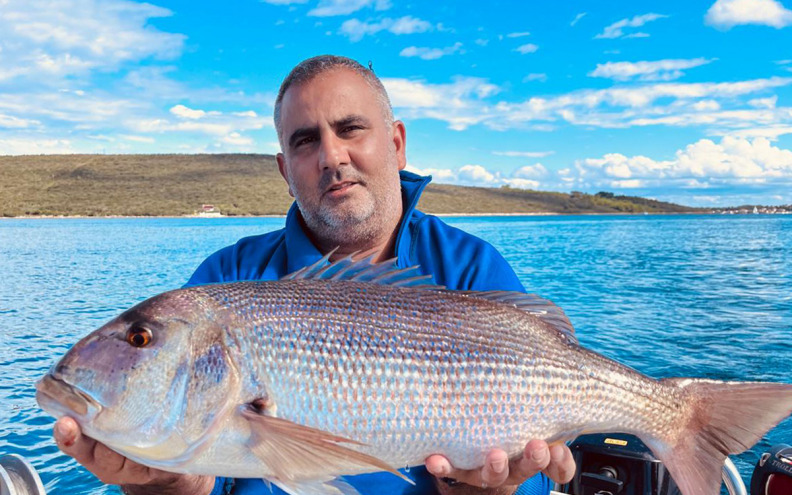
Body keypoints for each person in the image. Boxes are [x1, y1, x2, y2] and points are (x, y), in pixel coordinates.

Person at [52, 55, 576, 495]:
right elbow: (205, 471)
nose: (331, 156)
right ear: (285, 169)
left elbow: (535, 471)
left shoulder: (470, 268)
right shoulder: (229, 276)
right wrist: (167, 483)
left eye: (350, 129)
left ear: (396, 143)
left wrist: (480, 487)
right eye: (305, 141)